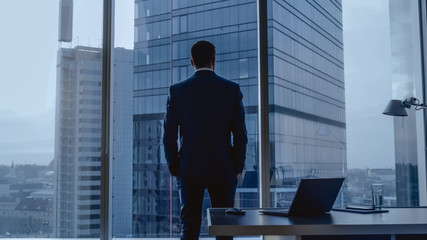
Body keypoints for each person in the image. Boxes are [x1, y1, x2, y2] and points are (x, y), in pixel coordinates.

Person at [163, 40, 248, 240]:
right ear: (214, 60)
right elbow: (241, 134)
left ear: (192, 62)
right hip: (223, 167)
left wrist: (176, 169)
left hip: (190, 167)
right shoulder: (231, 90)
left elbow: (168, 136)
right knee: (224, 231)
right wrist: (237, 167)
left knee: (189, 229)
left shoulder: (177, 92)